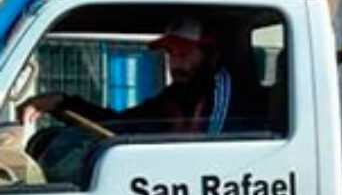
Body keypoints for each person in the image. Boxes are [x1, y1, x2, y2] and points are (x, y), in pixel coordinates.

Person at [18, 16, 261, 136]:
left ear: (211, 55)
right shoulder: (173, 97)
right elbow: (121, 126)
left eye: (184, 52)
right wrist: (62, 104)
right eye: (170, 53)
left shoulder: (227, 92)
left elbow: (211, 152)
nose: (175, 62)